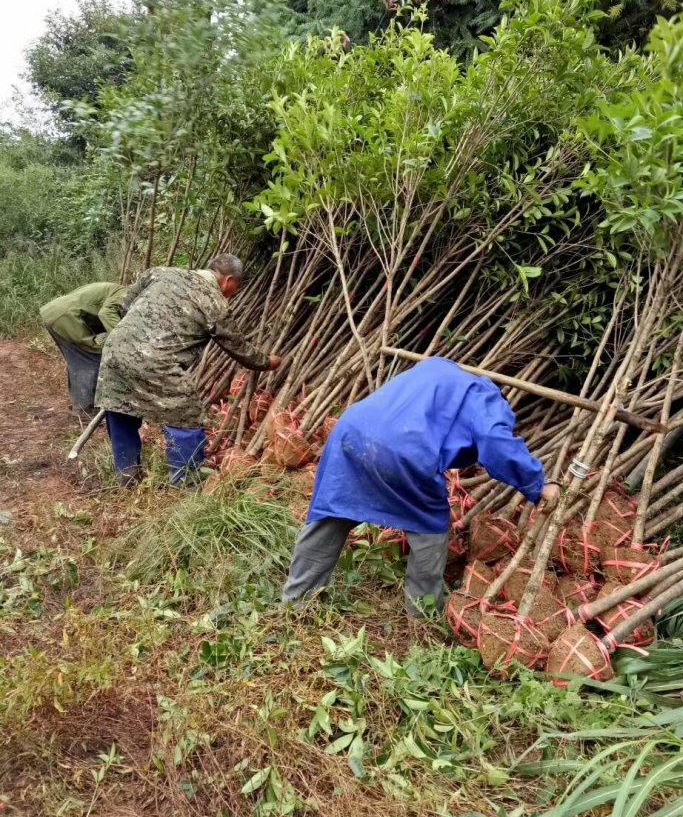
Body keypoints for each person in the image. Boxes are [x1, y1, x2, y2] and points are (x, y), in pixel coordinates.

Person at [282, 356, 560, 617]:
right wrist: (537, 485)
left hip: (351, 431)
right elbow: (497, 443)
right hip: (407, 452)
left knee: (334, 511)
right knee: (429, 527)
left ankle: (294, 604)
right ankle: (422, 613)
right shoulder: (486, 398)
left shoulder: (436, 368)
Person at [95, 254, 280, 486]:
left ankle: (127, 475)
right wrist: (267, 362)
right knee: (188, 415)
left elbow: (123, 305)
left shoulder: (160, 272)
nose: (234, 293)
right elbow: (238, 348)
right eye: (236, 287)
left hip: (114, 350)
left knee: (121, 407)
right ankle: (185, 482)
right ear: (228, 280)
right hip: (156, 361)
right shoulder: (214, 302)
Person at [40, 281, 129, 417]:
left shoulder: (114, 289)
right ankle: (85, 410)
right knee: (90, 360)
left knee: (77, 360)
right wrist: (124, 337)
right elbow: (105, 313)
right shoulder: (124, 294)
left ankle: (81, 405)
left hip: (54, 313)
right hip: (66, 317)